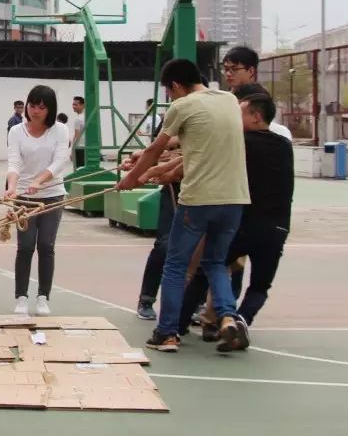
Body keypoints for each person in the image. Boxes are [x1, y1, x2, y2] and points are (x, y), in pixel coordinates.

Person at [119, 58, 251, 354]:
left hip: (199, 200)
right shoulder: (229, 100)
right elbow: (193, 140)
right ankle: (228, 317)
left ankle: (166, 333)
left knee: (176, 265)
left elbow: (157, 148)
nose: (171, 97)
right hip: (235, 199)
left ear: (176, 85)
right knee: (216, 262)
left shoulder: (182, 106)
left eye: (170, 91)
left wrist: (131, 177)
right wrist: (148, 166)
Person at [177, 92, 294, 349]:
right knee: (260, 286)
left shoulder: (242, 143)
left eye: (239, 113)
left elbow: (200, 158)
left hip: (244, 225)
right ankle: (241, 320)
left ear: (255, 116)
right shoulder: (284, 145)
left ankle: (178, 323)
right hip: (277, 228)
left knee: (208, 268)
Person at [4, 85, 70, 317]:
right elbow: (13, 162)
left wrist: (41, 180)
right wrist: (12, 187)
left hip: (52, 194)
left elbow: (61, 160)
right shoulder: (16, 131)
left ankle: (43, 297)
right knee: (25, 246)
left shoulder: (60, 130)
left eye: (42, 107)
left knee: (46, 246)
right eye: (32, 105)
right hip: (23, 197)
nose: (35, 111)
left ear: (50, 109)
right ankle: (21, 297)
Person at [221, 46, 293, 139]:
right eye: (226, 69)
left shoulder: (261, 97)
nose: (228, 74)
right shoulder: (224, 99)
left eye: (234, 69)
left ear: (251, 71)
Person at [70, 96, 86, 167]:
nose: (73, 106)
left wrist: (72, 150)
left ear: (82, 105)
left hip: (79, 148)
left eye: (75, 104)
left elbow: (77, 135)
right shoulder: (89, 116)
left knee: (79, 171)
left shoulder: (78, 119)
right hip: (88, 147)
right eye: (73, 104)